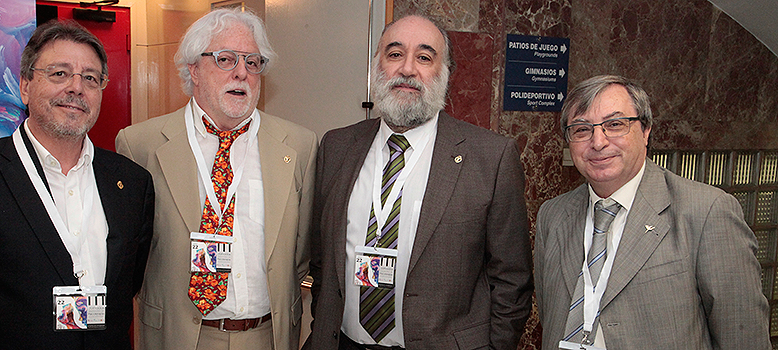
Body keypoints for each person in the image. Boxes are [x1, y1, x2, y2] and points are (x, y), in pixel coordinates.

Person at [0, 20, 155, 350]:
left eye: (90, 79)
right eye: (59, 73)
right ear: (25, 85)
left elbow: (128, 282)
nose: (77, 88)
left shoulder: (131, 182)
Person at [306, 14, 533, 349]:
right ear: (376, 67)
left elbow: (512, 280)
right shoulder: (337, 147)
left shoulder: (491, 157)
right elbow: (322, 261)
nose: (407, 69)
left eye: (425, 58)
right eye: (394, 54)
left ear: (445, 74)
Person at [115, 8, 317, 350]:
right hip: (179, 337)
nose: (242, 73)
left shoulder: (298, 146)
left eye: (253, 63)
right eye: (226, 59)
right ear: (194, 68)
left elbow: (300, 256)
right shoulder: (141, 145)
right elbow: (130, 258)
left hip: (267, 336)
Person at [534, 74, 771, 349]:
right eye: (582, 129)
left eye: (615, 125)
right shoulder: (552, 216)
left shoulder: (706, 212)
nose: (598, 142)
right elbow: (549, 313)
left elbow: (742, 337)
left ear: (645, 130)